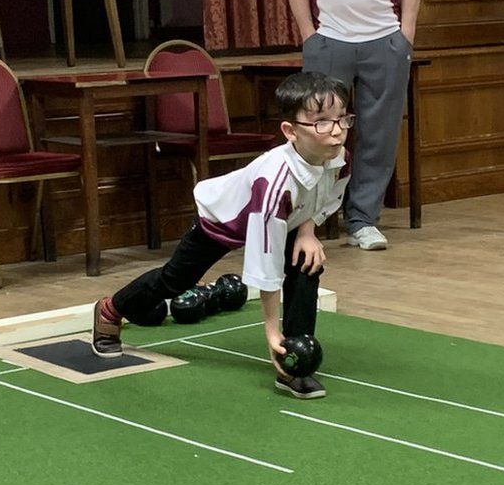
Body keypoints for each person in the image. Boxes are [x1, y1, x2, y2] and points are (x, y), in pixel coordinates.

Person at [90, 72, 353, 399]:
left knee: (306, 265)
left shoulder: (337, 158)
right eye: (322, 122)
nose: (337, 130)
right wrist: (271, 333)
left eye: (342, 118)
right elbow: (266, 265)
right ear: (290, 131)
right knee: (175, 280)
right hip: (225, 217)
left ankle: (294, 363)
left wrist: (308, 230)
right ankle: (111, 309)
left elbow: (326, 197)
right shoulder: (273, 182)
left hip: (288, 219)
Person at [286, 0, 420, 251]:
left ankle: (363, 220)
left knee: (380, 135)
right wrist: (308, 35)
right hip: (328, 39)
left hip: (386, 39)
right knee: (317, 133)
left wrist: (406, 33)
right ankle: (308, 221)